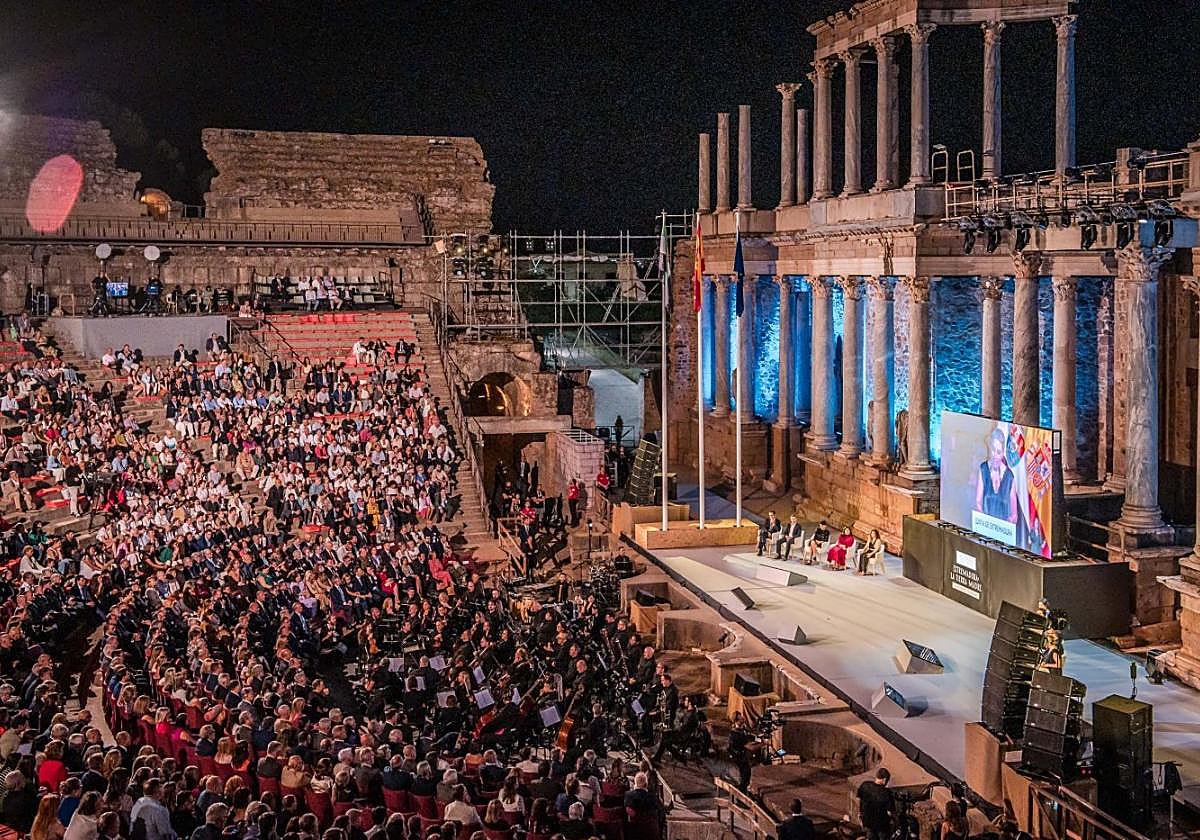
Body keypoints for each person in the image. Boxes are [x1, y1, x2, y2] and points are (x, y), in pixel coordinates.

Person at [975, 427, 1019, 525]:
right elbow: (978, 503)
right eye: (993, 450)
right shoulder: (983, 469)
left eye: (998, 452)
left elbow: (1014, 515)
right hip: (984, 528)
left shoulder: (1009, 477)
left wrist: (1009, 522)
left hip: (1003, 531)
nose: (995, 455)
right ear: (989, 449)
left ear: (1003, 453)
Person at [856, 768, 894, 840]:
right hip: (881, 826)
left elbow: (859, 800)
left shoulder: (864, 785)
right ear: (884, 779)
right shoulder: (887, 793)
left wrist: (860, 814)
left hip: (867, 822)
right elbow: (890, 812)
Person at [726, 712, 755, 792]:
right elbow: (750, 747)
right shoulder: (736, 734)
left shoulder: (740, 731)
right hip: (739, 759)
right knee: (744, 778)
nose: (743, 718)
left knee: (745, 777)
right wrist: (764, 743)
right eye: (740, 718)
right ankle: (742, 795)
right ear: (736, 721)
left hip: (739, 757)